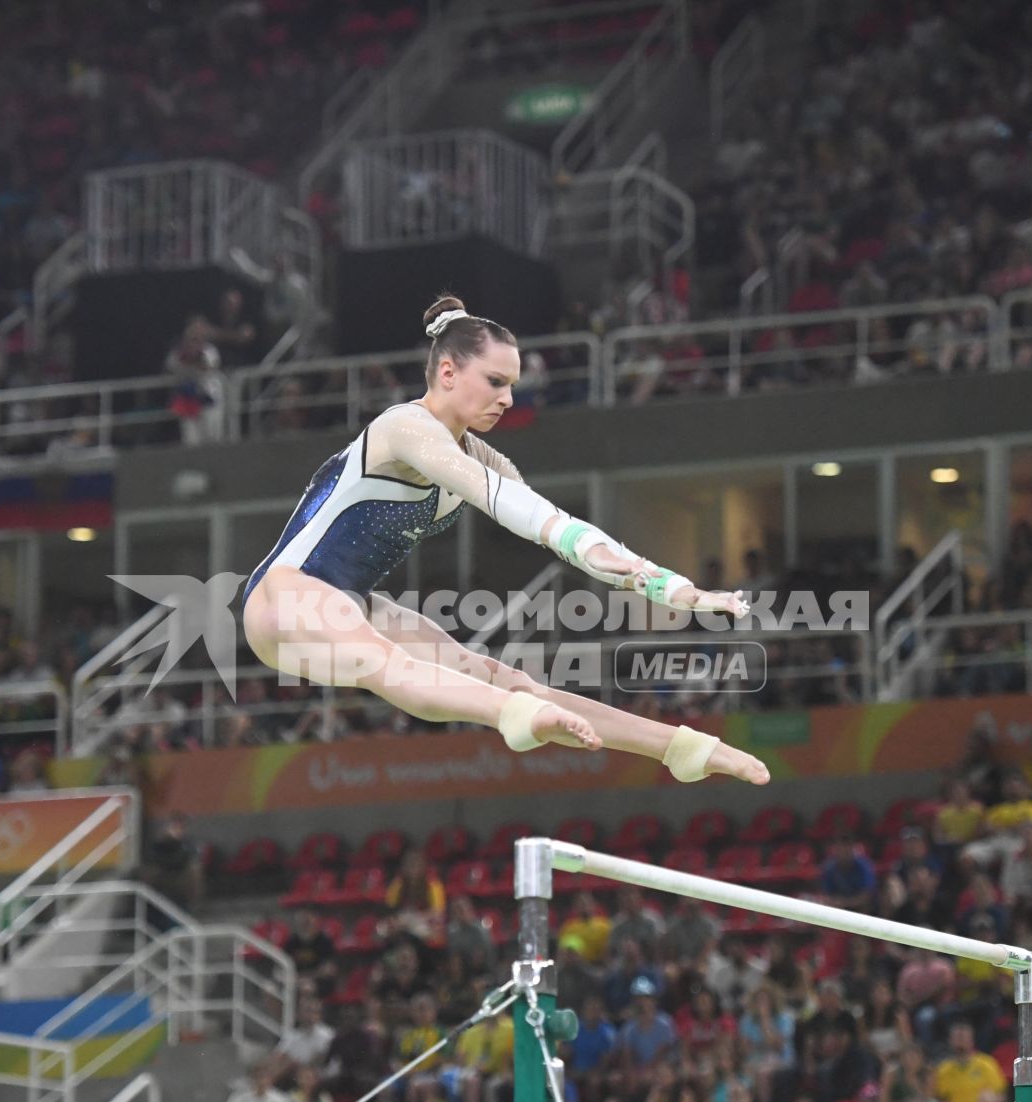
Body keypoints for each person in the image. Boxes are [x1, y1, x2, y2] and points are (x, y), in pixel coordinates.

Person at [235, 295, 768, 787]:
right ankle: (511, 716)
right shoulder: (404, 427)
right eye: (495, 382)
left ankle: (678, 747)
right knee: (394, 667)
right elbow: (502, 501)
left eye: (512, 385)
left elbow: (554, 524)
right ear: (448, 372)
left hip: (350, 605)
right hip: (285, 597)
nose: (508, 399)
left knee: (499, 677)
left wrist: (675, 590)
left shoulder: (481, 456)